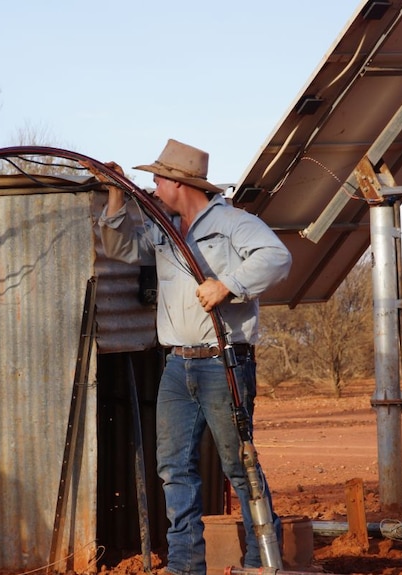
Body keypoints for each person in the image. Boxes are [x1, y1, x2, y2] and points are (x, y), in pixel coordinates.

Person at [91, 139, 292, 575]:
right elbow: (121, 249)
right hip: (176, 365)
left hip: (224, 363)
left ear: (179, 183)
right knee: (173, 468)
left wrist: (228, 285)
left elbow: (277, 256)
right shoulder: (164, 229)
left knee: (239, 464)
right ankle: (185, 564)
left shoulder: (235, 223)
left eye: (158, 177)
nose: (153, 184)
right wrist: (115, 195)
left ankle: (263, 558)